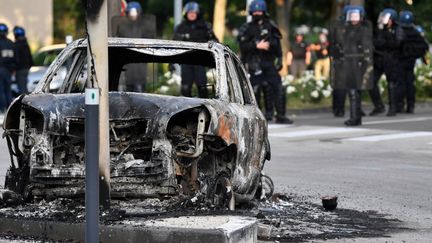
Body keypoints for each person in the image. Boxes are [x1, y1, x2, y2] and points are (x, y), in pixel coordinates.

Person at [238, 0, 292, 124]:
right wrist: (256, 45)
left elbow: (278, 45)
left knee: (278, 87)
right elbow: (243, 46)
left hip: (269, 62)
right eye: (255, 11)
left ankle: (280, 115)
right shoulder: (246, 28)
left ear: (264, 11)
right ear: (252, 12)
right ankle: (257, 116)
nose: (257, 13)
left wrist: (279, 59)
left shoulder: (271, 26)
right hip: (253, 63)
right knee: (255, 89)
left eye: (259, 11)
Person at [329, 6, 373, 126]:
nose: (354, 19)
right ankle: (356, 117)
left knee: (353, 90)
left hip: (357, 63)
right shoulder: (345, 29)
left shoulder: (363, 30)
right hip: (347, 63)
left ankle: (355, 117)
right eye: (351, 16)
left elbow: (366, 47)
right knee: (353, 91)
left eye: (356, 16)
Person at [173, 1, 218, 98]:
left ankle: (204, 109)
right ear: (186, 13)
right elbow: (173, 45)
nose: (192, 14)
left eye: (194, 12)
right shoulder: (180, 27)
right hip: (186, 61)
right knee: (185, 88)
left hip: (200, 61)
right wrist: (171, 62)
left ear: (197, 13)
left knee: (202, 87)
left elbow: (215, 42)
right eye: (190, 13)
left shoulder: (205, 26)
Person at [114, 1, 156, 92]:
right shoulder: (123, 26)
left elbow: (150, 40)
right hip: (128, 60)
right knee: (129, 85)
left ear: (139, 12)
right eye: (130, 13)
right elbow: (119, 41)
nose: (132, 15)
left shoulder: (145, 26)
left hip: (141, 59)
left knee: (140, 85)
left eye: (134, 12)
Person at [369, 9, 400, 116]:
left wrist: (383, 41)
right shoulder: (379, 30)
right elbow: (373, 42)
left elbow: (396, 43)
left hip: (391, 60)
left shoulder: (397, 29)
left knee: (392, 84)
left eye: (386, 18)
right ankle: (379, 106)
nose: (383, 20)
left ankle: (393, 108)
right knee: (371, 82)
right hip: (379, 60)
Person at [396, 11, 428, 114]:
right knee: (410, 83)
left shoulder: (400, 31)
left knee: (400, 83)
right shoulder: (415, 31)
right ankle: (411, 106)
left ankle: (400, 105)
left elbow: (397, 44)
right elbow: (424, 45)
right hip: (411, 61)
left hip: (401, 60)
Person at [0, 23, 16, 113]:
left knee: (1, 90)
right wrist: (13, 69)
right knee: (8, 90)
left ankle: (2, 109)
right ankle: (10, 109)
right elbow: (15, 58)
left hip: (1, 69)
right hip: (9, 70)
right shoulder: (11, 43)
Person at [13, 26, 33, 94]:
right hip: (26, 68)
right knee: (24, 87)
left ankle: (24, 103)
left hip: (20, 69)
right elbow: (30, 57)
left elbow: (16, 58)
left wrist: (14, 67)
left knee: (22, 89)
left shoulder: (16, 45)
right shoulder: (26, 44)